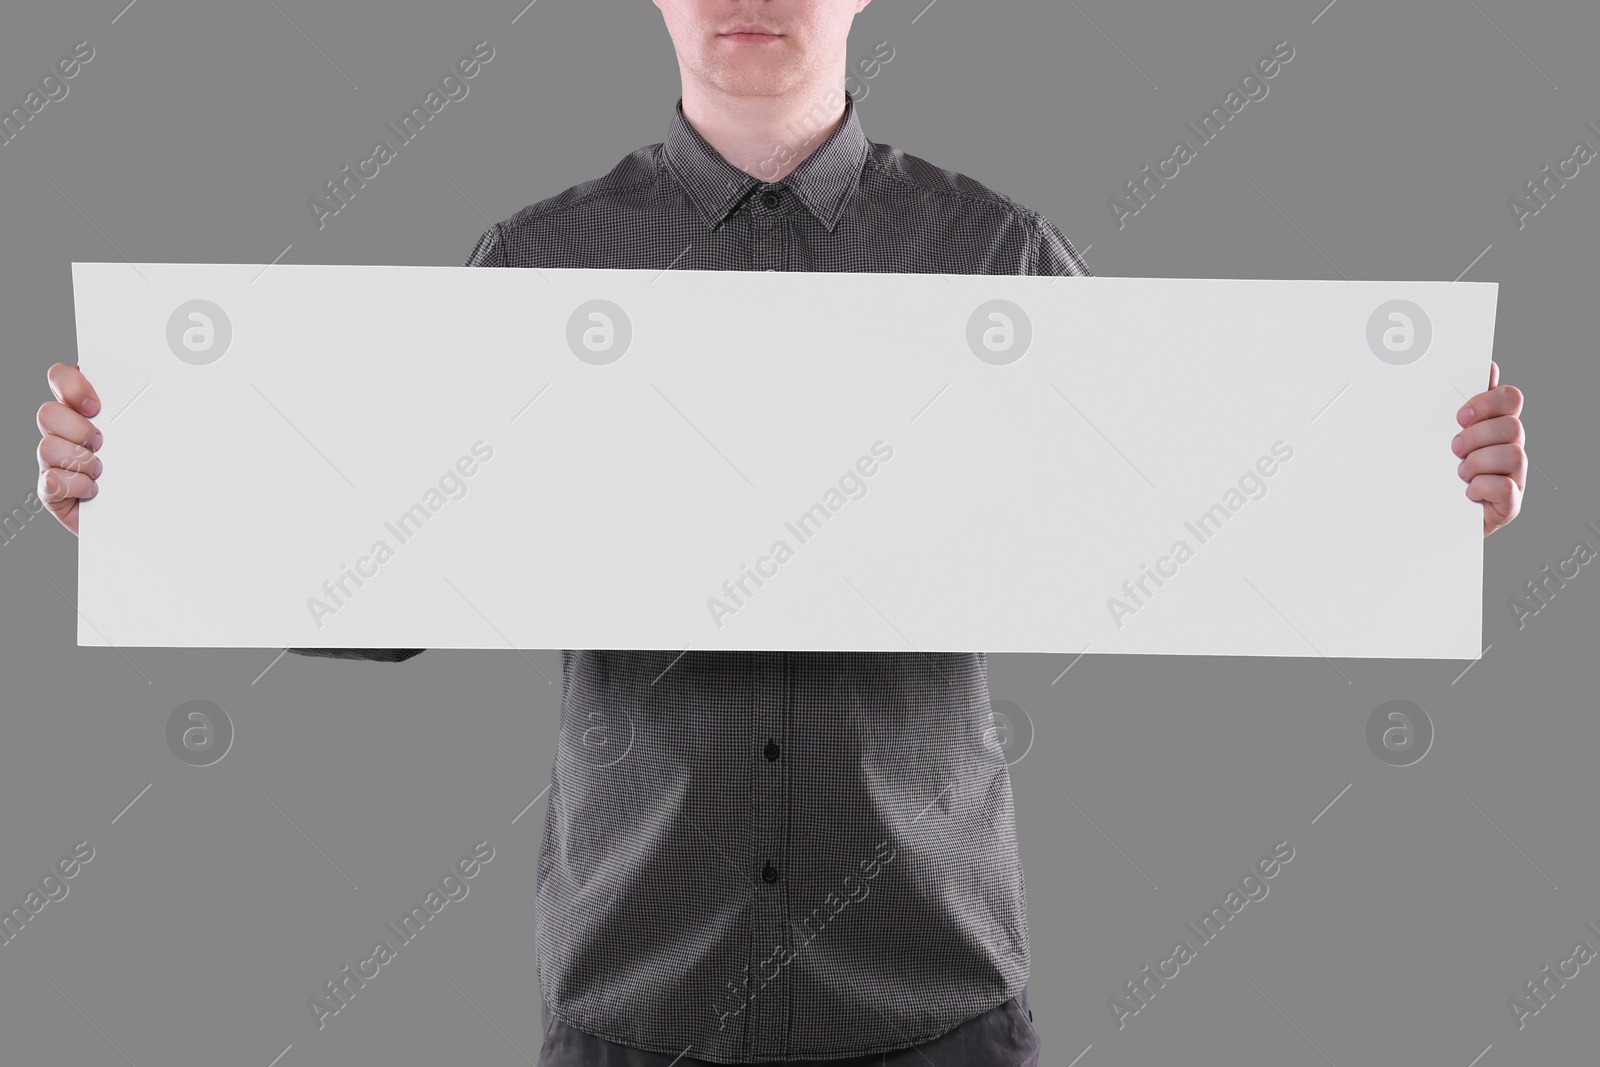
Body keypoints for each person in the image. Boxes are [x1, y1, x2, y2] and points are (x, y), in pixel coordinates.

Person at [34, 2, 1528, 1063]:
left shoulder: (996, 255)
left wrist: (1415, 487)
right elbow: (399, 587)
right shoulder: (538, 260)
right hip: (633, 1001)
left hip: (933, 1000)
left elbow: (1185, 527)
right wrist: (159, 495)